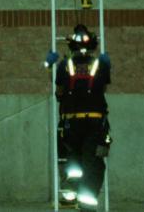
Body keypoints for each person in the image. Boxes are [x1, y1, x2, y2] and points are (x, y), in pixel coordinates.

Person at [46, 25, 112, 211]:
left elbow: (58, 92)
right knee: (94, 166)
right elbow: (103, 90)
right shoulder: (101, 64)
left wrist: (48, 67)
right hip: (95, 124)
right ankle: (86, 203)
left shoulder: (64, 65)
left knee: (72, 161)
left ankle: (71, 194)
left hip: (70, 124)